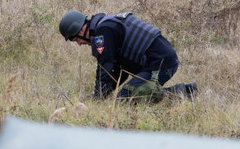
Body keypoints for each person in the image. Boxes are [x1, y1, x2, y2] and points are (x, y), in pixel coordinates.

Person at [59, 10, 197, 102]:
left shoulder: (102, 33)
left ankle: (185, 92)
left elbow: (105, 67)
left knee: (126, 99)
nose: (78, 43)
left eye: (75, 39)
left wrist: (98, 96)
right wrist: (101, 96)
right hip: (160, 60)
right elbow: (118, 72)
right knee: (127, 96)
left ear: (80, 29)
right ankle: (186, 91)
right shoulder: (106, 26)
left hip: (161, 63)